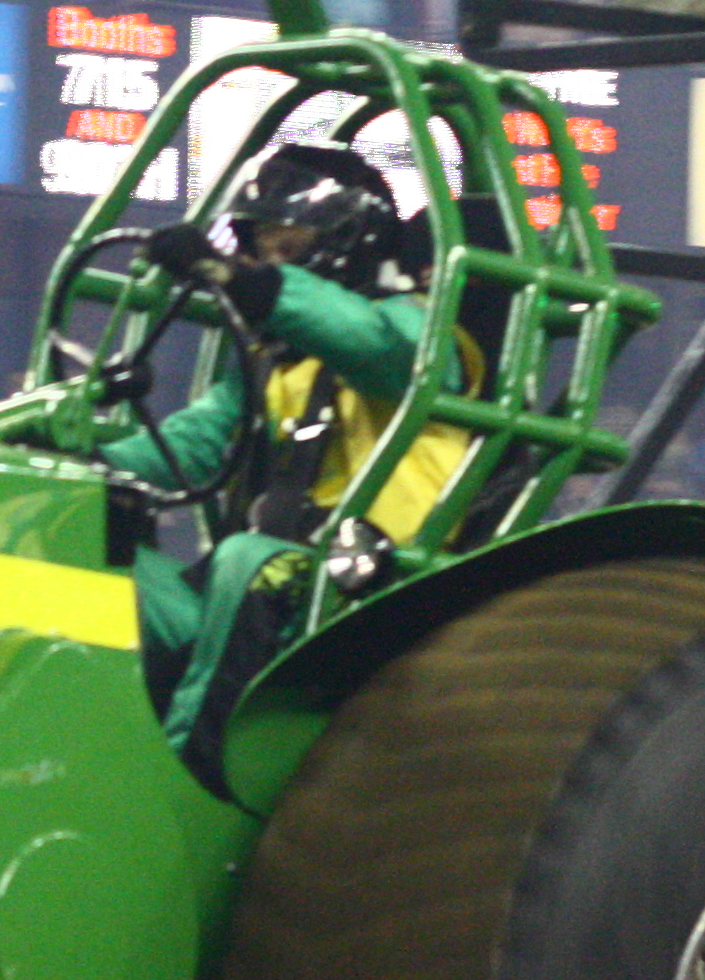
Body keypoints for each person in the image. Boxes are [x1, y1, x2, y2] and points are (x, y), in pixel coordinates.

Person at [98, 142, 465, 771]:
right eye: (258, 246)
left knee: (247, 560)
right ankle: (96, 761)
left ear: (350, 238)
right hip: (272, 588)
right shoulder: (274, 367)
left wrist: (247, 282)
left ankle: (194, 783)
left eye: (285, 245)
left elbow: (374, 346)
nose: (266, 258)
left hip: (374, 591)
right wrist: (65, 458)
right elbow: (187, 444)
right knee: (96, 562)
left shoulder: (421, 331)